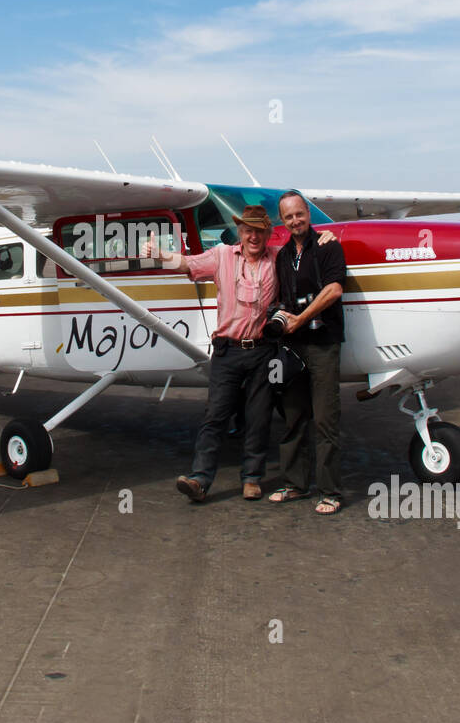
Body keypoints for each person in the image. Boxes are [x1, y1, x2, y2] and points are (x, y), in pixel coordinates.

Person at [145, 204, 333, 503]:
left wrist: (327, 236)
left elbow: (305, 250)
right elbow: (186, 264)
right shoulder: (221, 256)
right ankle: (200, 479)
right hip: (227, 350)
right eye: (248, 230)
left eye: (259, 231)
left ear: (268, 233)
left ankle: (252, 478)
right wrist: (159, 255)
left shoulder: (278, 258)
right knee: (215, 416)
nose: (253, 236)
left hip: (262, 352)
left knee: (258, 417)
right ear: (240, 232)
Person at [266, 189, 347, 514]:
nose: (295, 220)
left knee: (326, 419)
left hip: (323, 344)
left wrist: (299, 318)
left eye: (299, 214)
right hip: (293, 347)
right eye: (289, 217)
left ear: (307, 214)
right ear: (282, 221)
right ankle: (295, 484)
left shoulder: (328, 246)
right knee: (293, 417)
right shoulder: (283, 256)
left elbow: (334, 288)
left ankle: (330, 491)